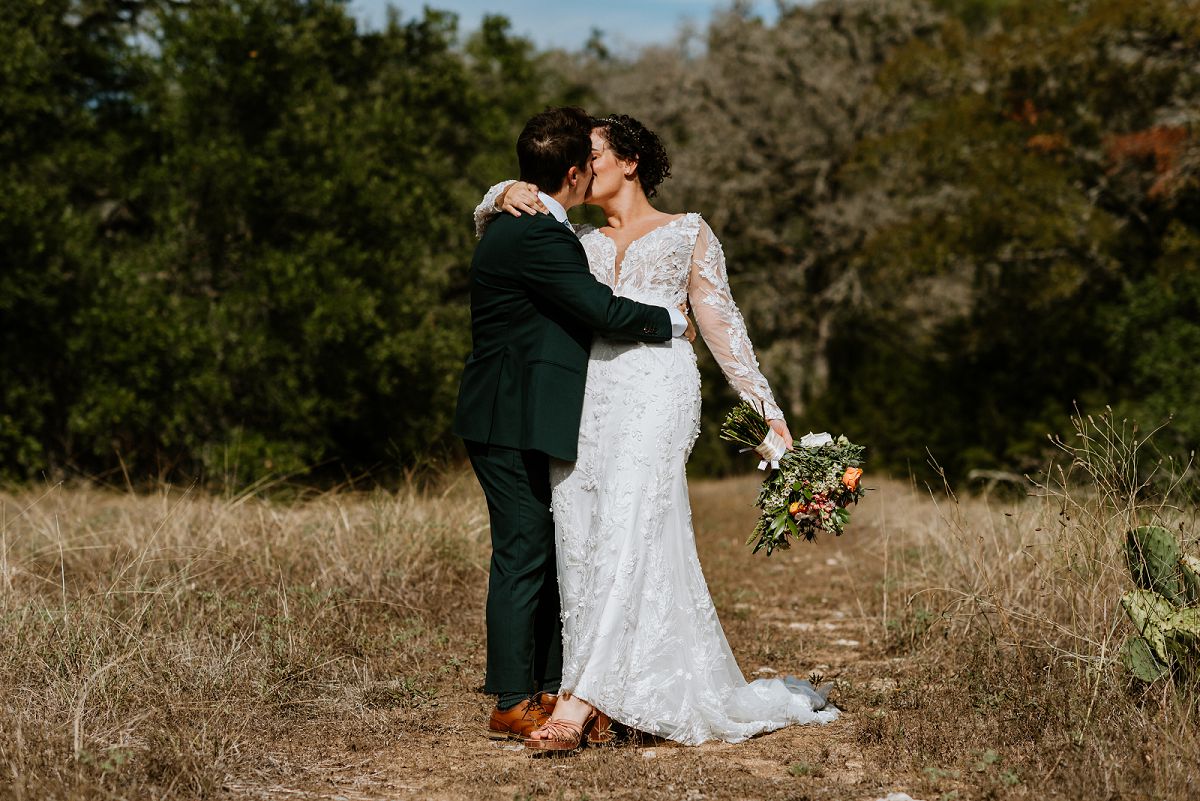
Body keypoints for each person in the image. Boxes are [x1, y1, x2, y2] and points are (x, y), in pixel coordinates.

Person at [473, 113, 837, 750]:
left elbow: (726, 335)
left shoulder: (687, 233)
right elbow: (510, 238)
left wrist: (770, 420)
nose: (583, 167)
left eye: (593, 154)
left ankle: (580, 701)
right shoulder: (569, 237)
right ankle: (615, 686)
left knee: (634, 526)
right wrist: (501, 191)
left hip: (655, 397)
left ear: (629, 162)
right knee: (583, 538)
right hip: (585, 404)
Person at [453, 107, 695, 743]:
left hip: (520, 414)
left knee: (544, 546)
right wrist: (670, 321)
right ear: (571, 173)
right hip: (507, 416)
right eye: (587, 164)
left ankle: (552, 683)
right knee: (523, 551)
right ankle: (511, 699)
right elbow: (596, 308)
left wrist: (499, 192)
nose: (595, 171)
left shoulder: (519, 221)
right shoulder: (539, 235)